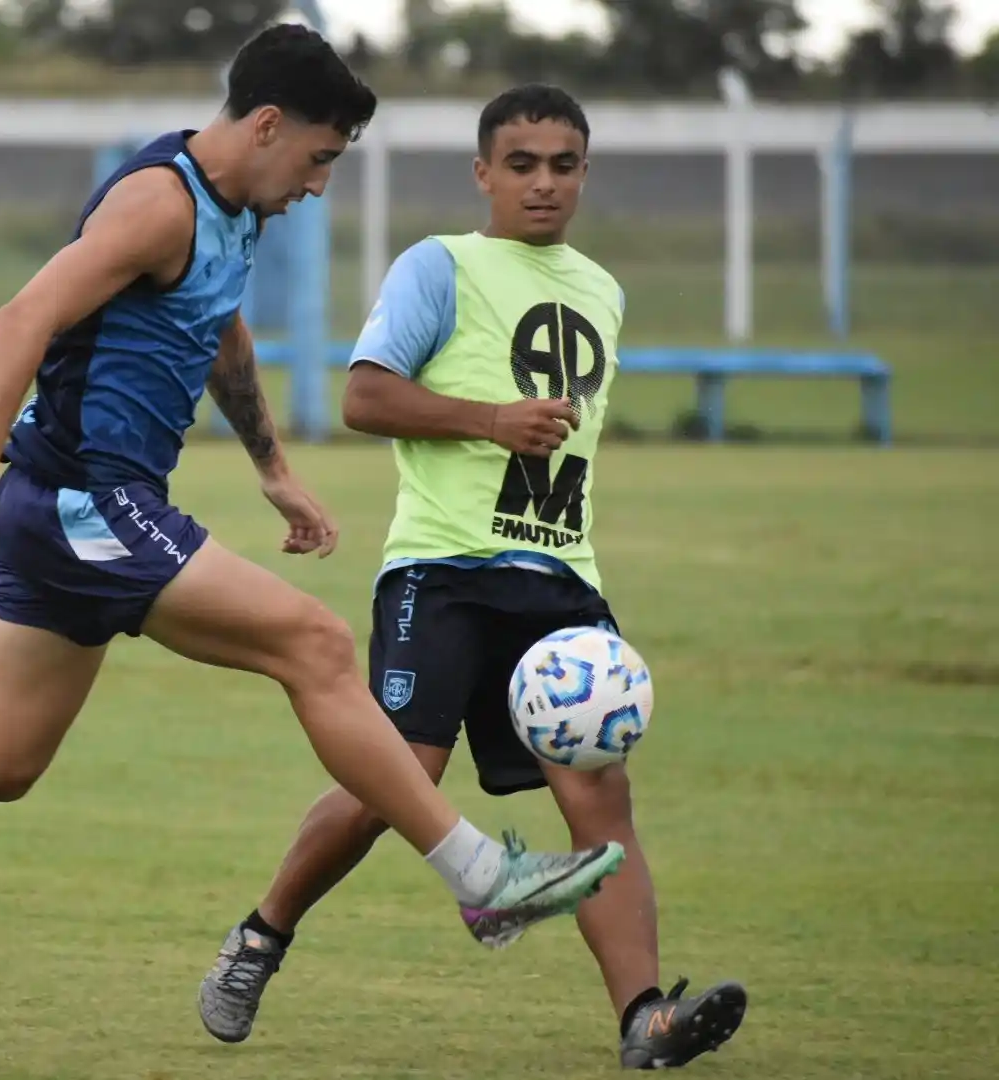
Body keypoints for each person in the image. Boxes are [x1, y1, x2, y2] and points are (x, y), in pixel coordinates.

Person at [0, 31, 625, 972]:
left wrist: (271, 467)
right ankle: (482, 878)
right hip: (81, 499)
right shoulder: (161, 201)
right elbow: (22, 316)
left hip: (73, 509)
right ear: (268, 125)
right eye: (319, 159)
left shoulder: (235, 213)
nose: (320, 186)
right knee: (315, 645)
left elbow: (222, 332)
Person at [196, 84, 747, 1070]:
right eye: (523, 164)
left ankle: (645, 1020)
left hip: (563, 584)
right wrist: (492, 418)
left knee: (599, 802)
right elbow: (365, 397)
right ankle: (259, 938)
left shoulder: (603, 290)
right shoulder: (439, 267)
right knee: (394, 781)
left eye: (564, 164)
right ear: (483, 173)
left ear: (586, 173)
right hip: (443, 571)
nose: (544, 183)